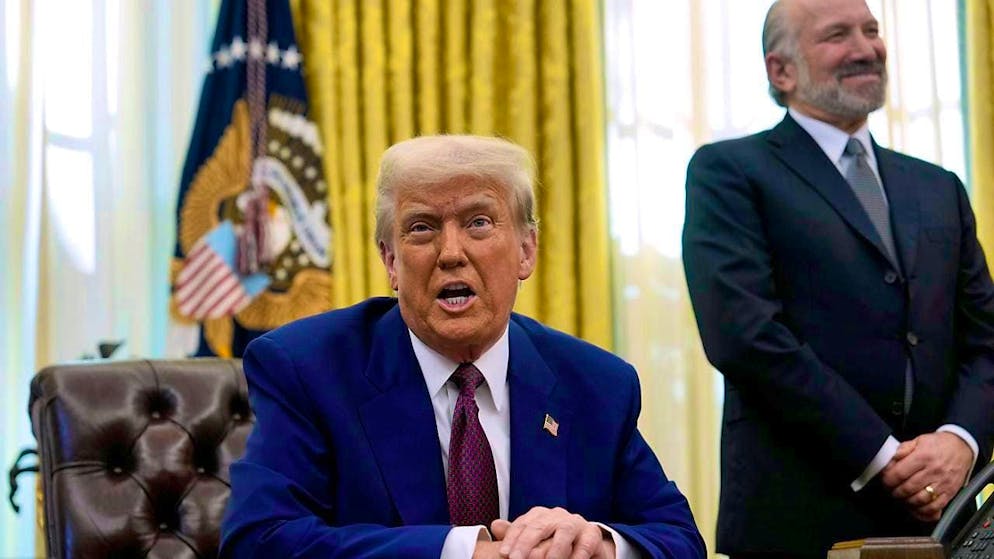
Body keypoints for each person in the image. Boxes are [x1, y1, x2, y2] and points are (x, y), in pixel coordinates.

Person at [221, 135, 705, 559]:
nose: (451, 253)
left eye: (478, 222)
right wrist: (461, 551)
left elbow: (679, 539)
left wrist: (597, 544)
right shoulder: (308, 369)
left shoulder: (596, 384)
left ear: (526, 250)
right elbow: (259, 540)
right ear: (390, 261)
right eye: (422, 228)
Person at [682, 0, 994, 557]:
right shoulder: (729, 173)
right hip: (799, 519)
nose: (865, 47)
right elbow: (745, 336)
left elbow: (986, 341)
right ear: (781, 71)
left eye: (872, 30)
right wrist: (882, 455)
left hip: (946, 519)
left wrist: (959, 441)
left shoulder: (939, 186)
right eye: (837, 35)